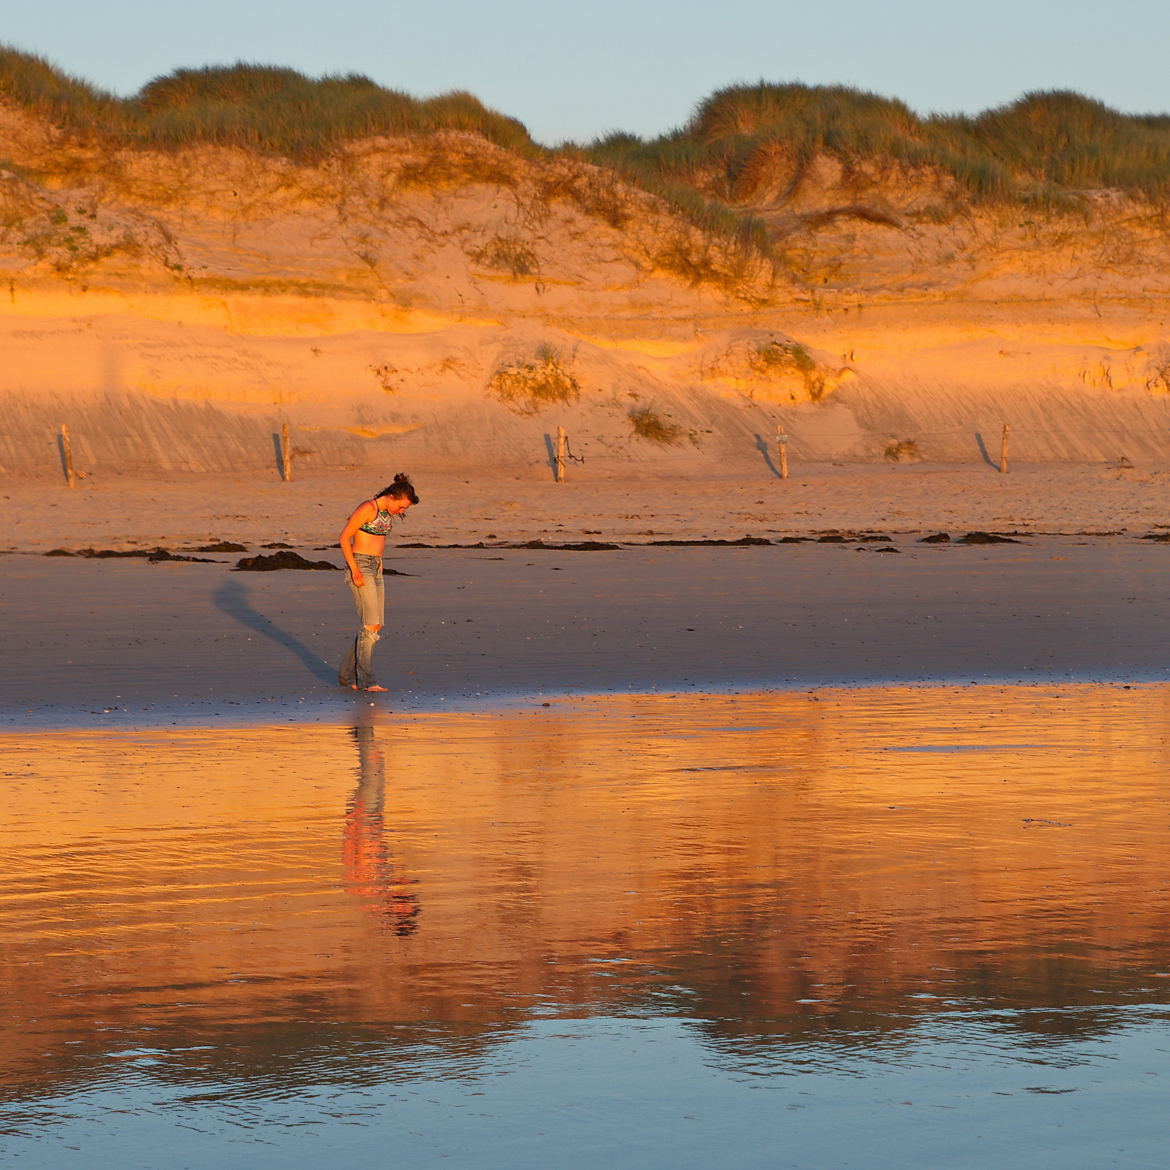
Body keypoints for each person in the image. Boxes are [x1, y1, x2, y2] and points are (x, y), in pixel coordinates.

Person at [338, 472, 419, 691]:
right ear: (392, 496)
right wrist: (354, 567)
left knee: (376, 624)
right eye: (401, 507)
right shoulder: (368, 508)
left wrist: (380, 561)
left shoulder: (385, 512)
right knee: (369, 625)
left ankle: (346, 675)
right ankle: (366, 680)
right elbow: (344, 537)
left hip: (376, 567)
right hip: (360, 566)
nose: (401, 511)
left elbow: (378, 539)